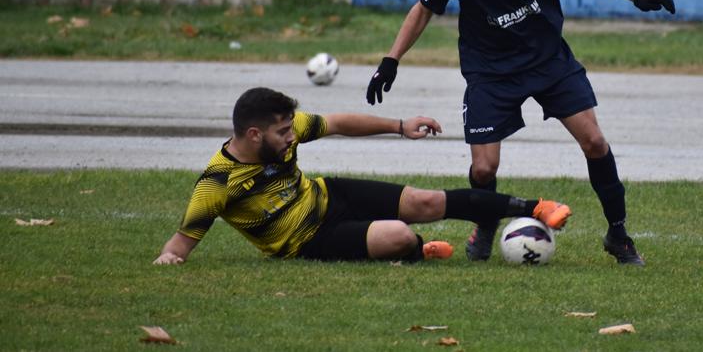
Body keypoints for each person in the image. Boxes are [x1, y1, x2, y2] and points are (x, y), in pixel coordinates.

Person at [366, 0, 675, 266]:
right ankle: (485, 224)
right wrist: (391, 59)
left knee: (594, 141)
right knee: (483, 168)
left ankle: (618, 234)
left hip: (548, 62)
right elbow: (424, 9)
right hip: (490, 72)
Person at [154, 87, 570, 265]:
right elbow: (181, 243)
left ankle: (536, 206)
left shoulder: (286, 128)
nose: (290, 135)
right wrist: (170, 259)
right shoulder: (216, 184)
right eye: (282, 132)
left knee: (425, 201)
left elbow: (338, 122)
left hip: (329, 195)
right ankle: (416, 252)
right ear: (253, 134)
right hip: (305, 241)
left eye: (290, 128)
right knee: (399, 234)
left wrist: (399, 124)